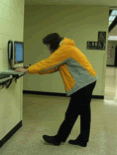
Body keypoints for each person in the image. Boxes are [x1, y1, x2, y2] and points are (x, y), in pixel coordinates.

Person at [15, 33, 98, 147]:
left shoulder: (65, 49)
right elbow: (53, 67)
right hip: (89, 80)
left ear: (52, 44)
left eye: (48, 46)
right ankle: (83, 139)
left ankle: (58, 139)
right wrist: (31, 68)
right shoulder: (66, 48)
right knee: (84, 111)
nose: (48, 49)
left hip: (83, 83)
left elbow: (48, 63)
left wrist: (27, 71)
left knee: (71, 113)